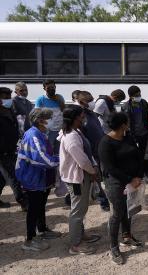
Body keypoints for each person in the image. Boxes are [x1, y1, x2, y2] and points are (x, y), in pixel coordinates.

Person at [98, 112, 144, 265]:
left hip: (133, 181)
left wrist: (138, 176)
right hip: (116, 182)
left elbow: (138, 156)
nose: (129, 123)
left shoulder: (128, 137)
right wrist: (130, 179)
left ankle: (127, 237)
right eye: (127, 121)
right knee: (117, 214)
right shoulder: (106, 142)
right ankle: (114, 246)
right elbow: (110, 168)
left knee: (129, 209)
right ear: (122, 124)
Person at [16, 108, 61, 251]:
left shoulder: (41, 133)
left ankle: (42, 230)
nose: (52, 120)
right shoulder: (33, 135)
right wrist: (61, 160)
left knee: (41, 204)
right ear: (41, 120)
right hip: (32, 177)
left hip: (41, 177)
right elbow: (40, 158)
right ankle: (29, 239)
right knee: (34, 208)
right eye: (49, 118)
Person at [59, 105, 100, 255]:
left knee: (81, 208)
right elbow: (82, 160)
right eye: (82, 116)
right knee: (77, 211)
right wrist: (93, 171)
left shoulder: (76, 131)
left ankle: (81, 235)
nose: (84, 118)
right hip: (77, 178)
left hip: (82, 175)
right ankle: (75, 244)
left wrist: (93, 167)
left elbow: (86, 154)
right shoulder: (71, 137)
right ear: (75, 118)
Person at [76, 91, 110, 212]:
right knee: (95, 177)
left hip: (98, 149)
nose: (92, 103)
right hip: (89, 152)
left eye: (92, 100)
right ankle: (103, 200)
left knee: (98, 176)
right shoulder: (80, 117)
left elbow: (98, 129)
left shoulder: (92, 113)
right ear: (80, 102)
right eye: (89, 101)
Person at [0, 87, 27, 210]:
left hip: (11, 148)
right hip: (2, 152)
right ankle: (23, 201)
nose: (8, 100)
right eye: (4, 97)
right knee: (13, 176)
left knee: (1, 178)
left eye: (8, 97)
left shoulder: (9, 110)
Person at [122, 85, 148, 162]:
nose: (139, 97)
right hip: (132, 134)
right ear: (130, 96)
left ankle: (141, 170)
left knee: (142, 154)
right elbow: (124, 121)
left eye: (139, 95)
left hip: (143, 134)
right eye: (136, 95)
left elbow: (147, 117)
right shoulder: (126, 106)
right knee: (132, 154)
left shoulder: (144, 103)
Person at [35, 79, 65, 153]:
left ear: (55, 87)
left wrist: (59, 101)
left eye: (53, 87)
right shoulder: (40, 99)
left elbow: (63, 111)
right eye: (48, 88)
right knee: (48, 150)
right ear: (44, 88)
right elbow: (36, 115)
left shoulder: (60, 97)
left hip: (59, 130)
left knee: (59, 151)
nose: (51, 89)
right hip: (48, 131)